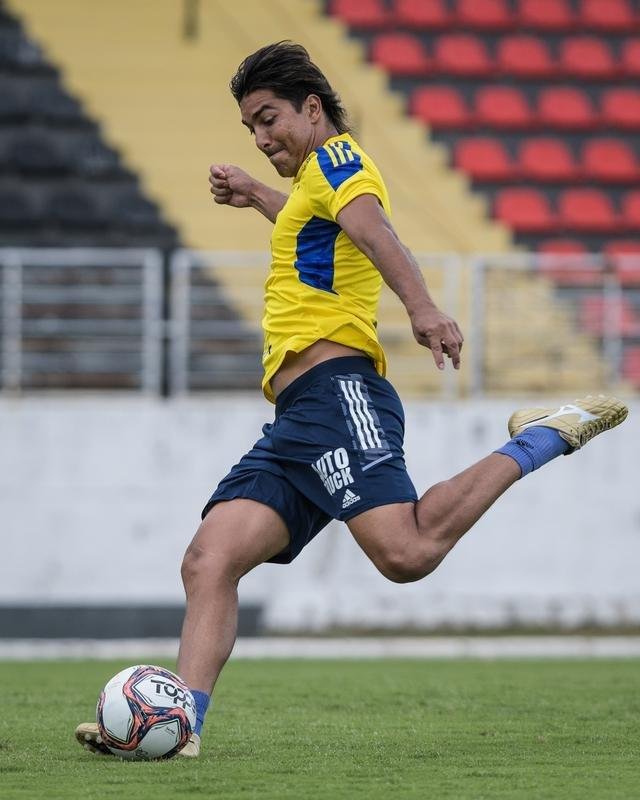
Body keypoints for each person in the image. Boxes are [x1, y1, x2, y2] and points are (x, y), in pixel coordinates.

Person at [75, 41, 628, 759]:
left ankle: (545, 435)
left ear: (313, 108)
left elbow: (371, 229)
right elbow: (320, 234)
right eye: (250, 127)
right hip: (296, 419)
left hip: (339, 395)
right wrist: (256, 195)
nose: (261, 136)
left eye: (268, 118)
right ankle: (182, 730)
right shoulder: (313, 183)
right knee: (209, 560)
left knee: (406, 553)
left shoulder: (338, 160)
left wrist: (424, 307)